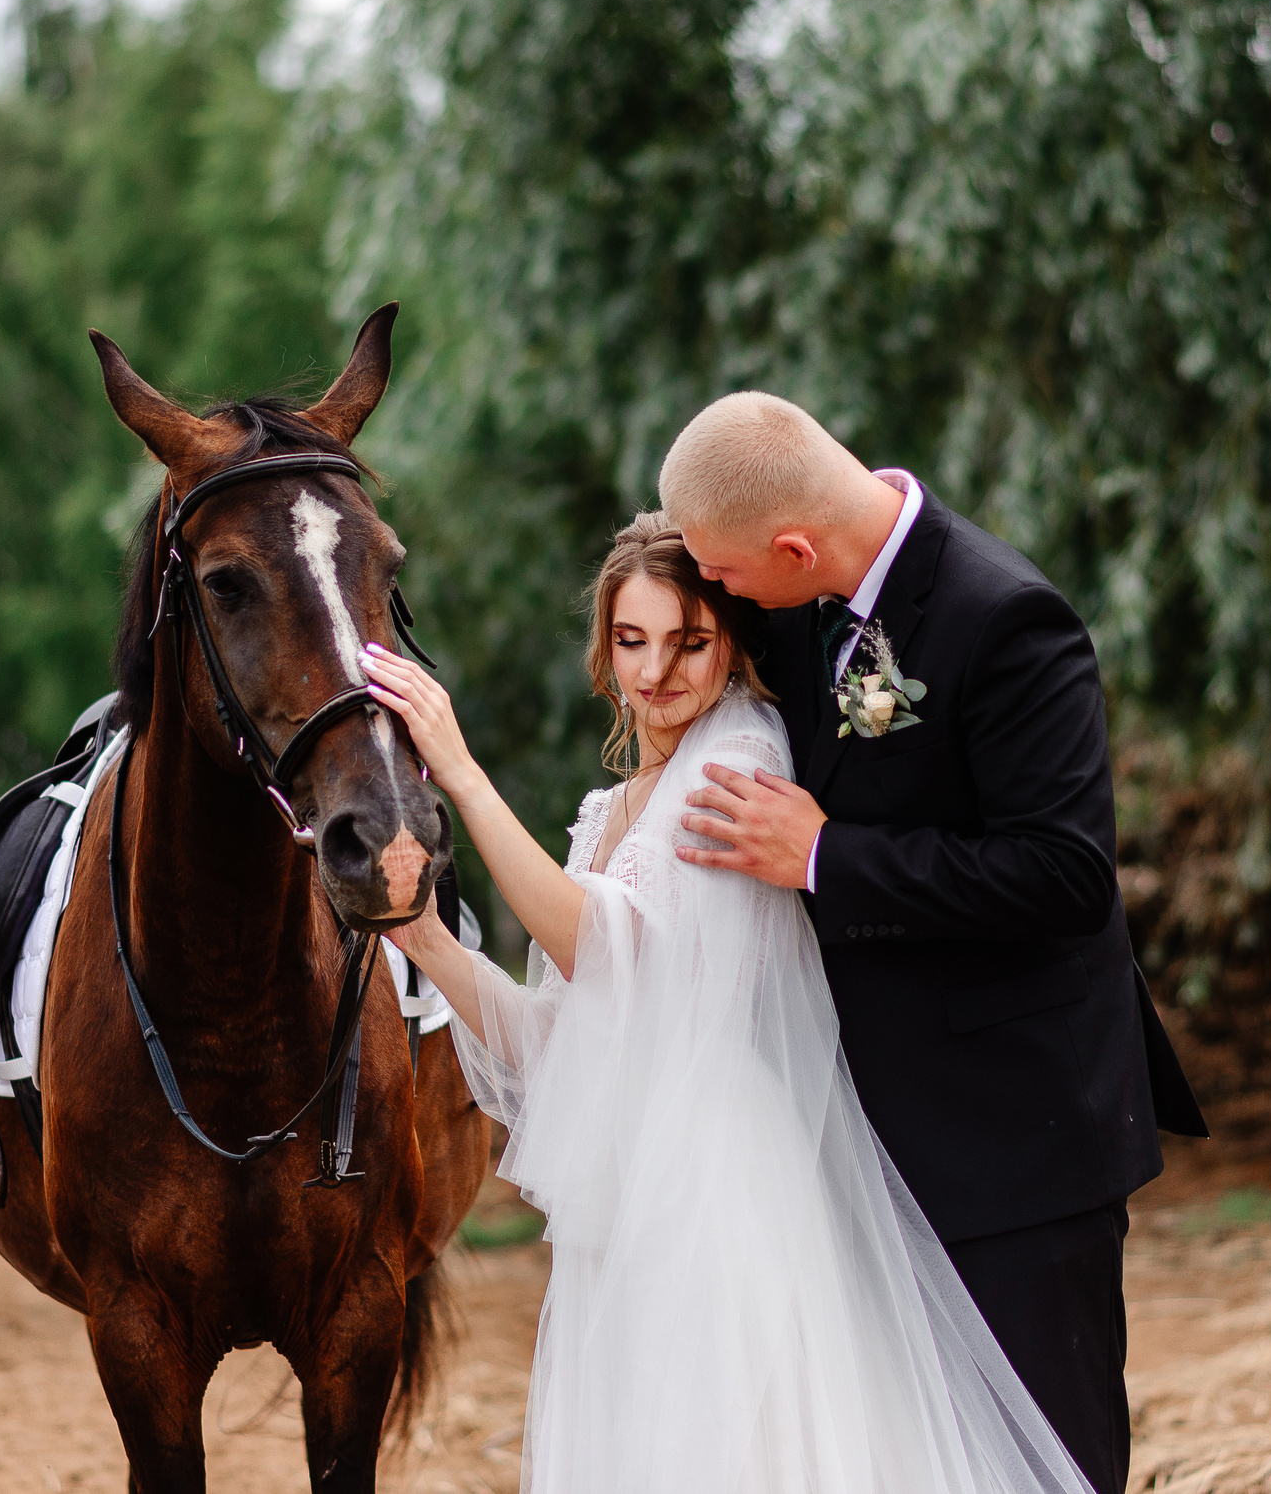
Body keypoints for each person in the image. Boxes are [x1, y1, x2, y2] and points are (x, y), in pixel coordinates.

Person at [365, 513, 1095, 1494]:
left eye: (688, 639)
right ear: (603, 646)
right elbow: (553, 1041)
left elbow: (591, 940)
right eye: (632, 639)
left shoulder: (739, 759)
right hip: (631, 1196)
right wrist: (422, 937)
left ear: (732, 640)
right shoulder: (607, 810)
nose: (657, 670)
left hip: (719, 1186)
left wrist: (457, 768)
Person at [655, 393, 1208, 1494]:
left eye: (723, 573)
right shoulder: (801, 598)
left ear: (795, 546)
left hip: (1017, 1135)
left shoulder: (1006, 619)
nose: (716, 595)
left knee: (1047, 1463)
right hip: (863, 1135)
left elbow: (1063, 874)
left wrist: (824, 853)